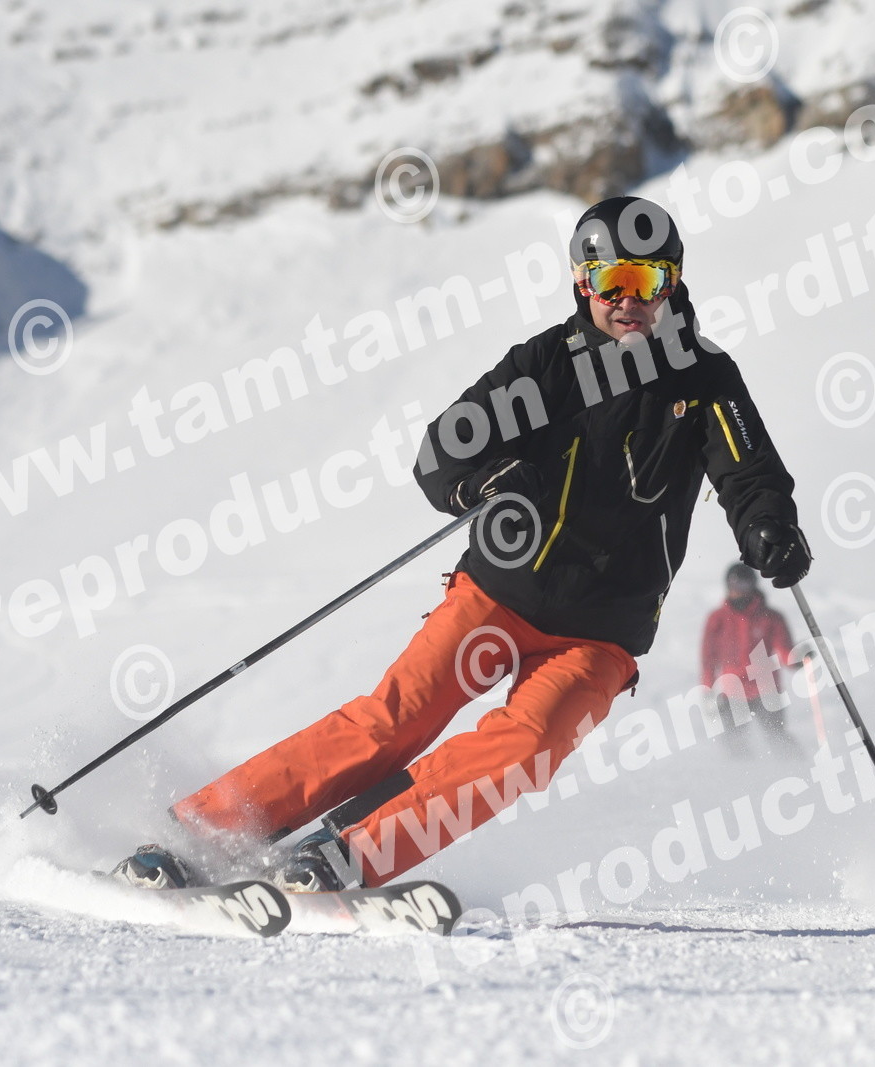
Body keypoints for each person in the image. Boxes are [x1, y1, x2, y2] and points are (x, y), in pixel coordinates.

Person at [115, 195, 812, 893]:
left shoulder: (705, 378)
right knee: (390, 724)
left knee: (528, 749)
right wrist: (487, 480)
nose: (630, 300)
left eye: (649, 280)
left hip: (600, 633)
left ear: (673, 283)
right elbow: (443, 453)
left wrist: (769, 528)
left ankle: (346, 855)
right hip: (499, 592)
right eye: (613, 281)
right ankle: (203, 833)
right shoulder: (548, 364)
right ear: (583, 283)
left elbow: (749, 473)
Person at [700, 562, 801, 754]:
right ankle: (743, 773)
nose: (738, 590)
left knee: (779, 740)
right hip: (733, 693)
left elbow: (785, 651)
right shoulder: (717, 619)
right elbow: (708, 658)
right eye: (734, 584)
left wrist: (799, 658)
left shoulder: (771, 617)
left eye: (744, 584)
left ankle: (798, 766)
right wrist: (707, 689)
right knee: (734, 746)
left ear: (753, 585)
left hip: (767, 692)